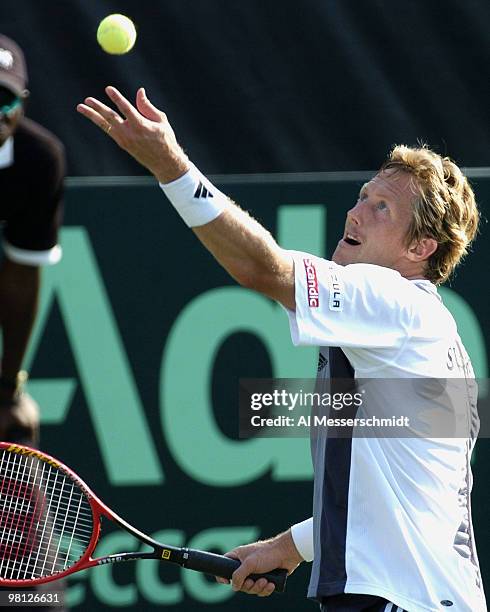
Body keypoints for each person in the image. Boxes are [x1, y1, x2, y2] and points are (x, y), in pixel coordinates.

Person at [77, 86, 487, 612]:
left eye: (381, 207)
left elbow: (262, 267)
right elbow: (391, 503)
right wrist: (288, 548)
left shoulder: (394, 304)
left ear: (420, 248)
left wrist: (171, 166)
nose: (355, 214)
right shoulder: (436, 337)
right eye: (362, 196)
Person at [0, 34, 65, 447]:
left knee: (18, 424)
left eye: (4, 102)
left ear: (22, 103)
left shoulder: (38, 159)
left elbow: (23, 275)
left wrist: (8, 389)